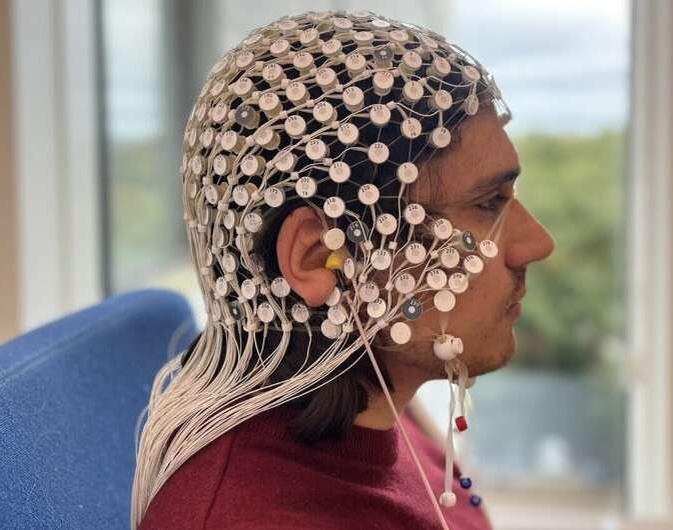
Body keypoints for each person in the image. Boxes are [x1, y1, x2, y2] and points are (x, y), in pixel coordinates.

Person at [132, 9, 554, 530]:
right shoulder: (257, 518)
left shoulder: (382, 405)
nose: (538, 243)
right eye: (488, 203)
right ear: (318, 257)